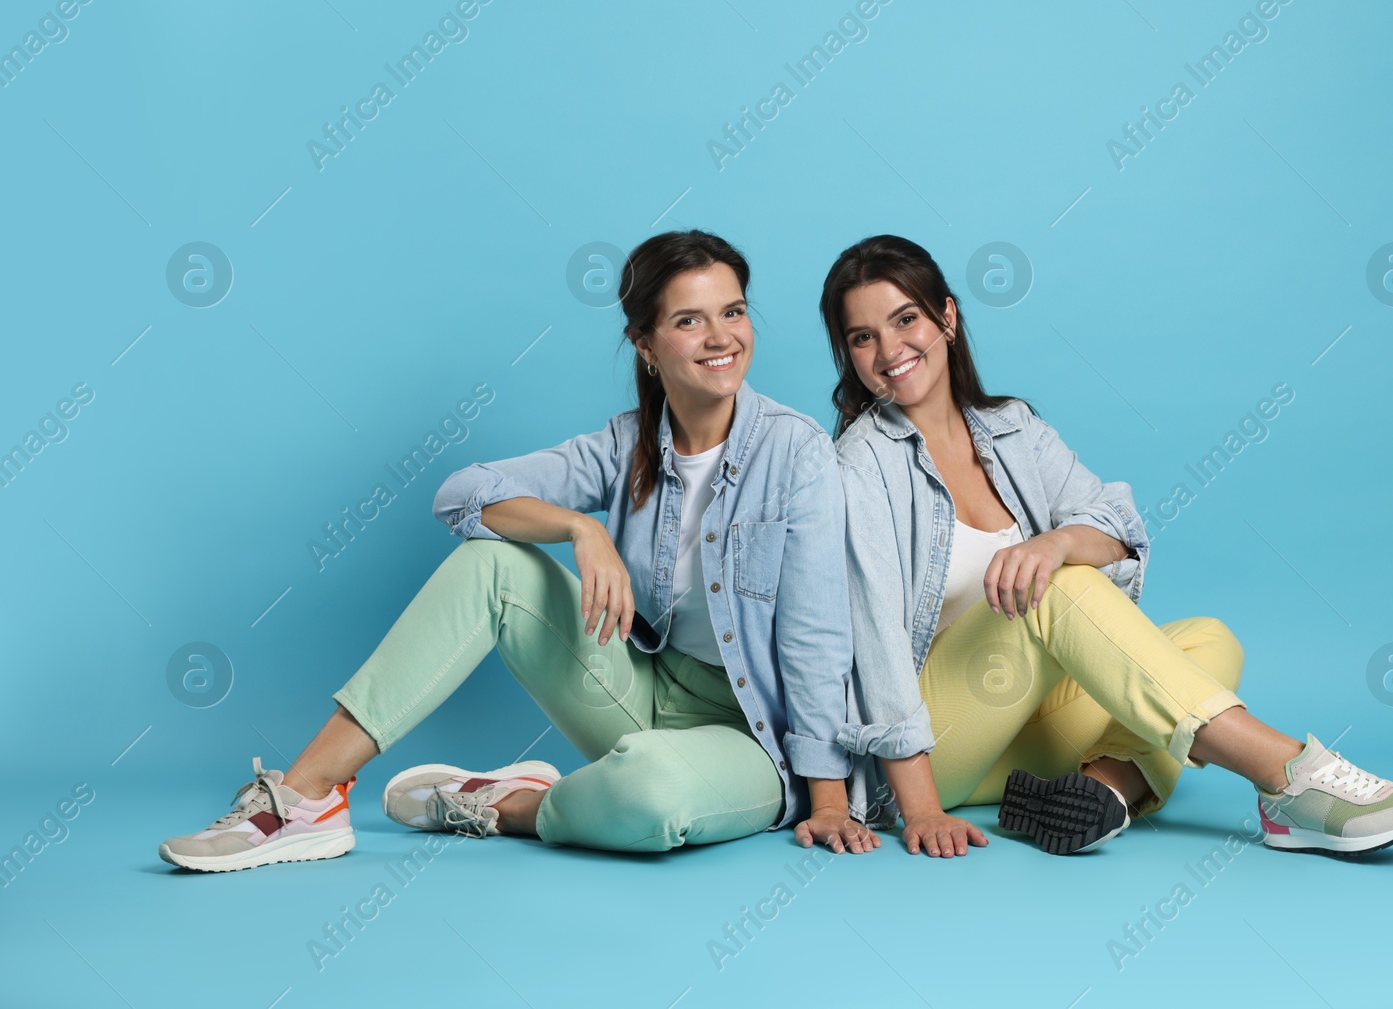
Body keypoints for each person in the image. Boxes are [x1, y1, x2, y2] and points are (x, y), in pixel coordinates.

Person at [159, 229, 878, 872]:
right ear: (646, 343)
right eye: (689, 319)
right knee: (489, 561)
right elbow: (461, 495)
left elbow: (818, 636)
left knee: (651, 794)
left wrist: (828, 799)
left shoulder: (796, 452)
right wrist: (580, 527)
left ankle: (508, 804)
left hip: (752, 738)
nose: (721, 336)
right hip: (646, 690)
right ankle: (305, 795)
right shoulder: (624, 444)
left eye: (733, 310)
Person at [819, 234, 1393, 859]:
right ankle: (1289, 778)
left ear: (947, 318)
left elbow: (1117, 526)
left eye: (906, 320)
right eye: (862, 337)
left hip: (1012, 739)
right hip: (925, 755)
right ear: (849, 355)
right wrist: (921, 807)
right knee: (1059, 586)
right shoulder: (860, 466)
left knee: (1208, 639)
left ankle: (1100, 791)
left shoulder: (1012, 429)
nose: (889, 349)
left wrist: (1059, 539)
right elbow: (873, 646)